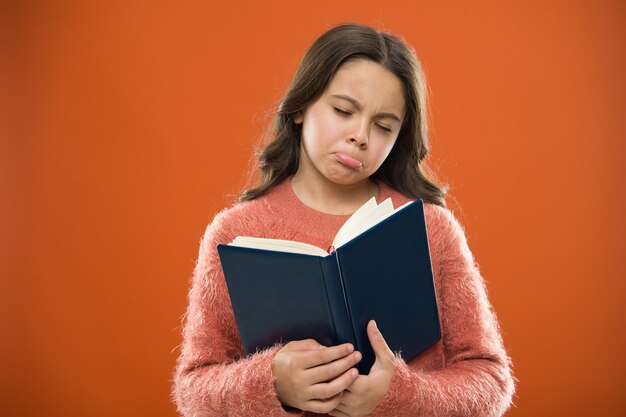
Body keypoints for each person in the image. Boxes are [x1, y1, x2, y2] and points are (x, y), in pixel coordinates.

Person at [172, 23, 515, 417]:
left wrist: (398, 397)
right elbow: (193, 388)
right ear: (300, 107)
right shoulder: (233, 233)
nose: (360, 136)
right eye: (343, 111)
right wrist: (274, 383)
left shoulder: (430, 228)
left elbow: (490, 379)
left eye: (383, 126)